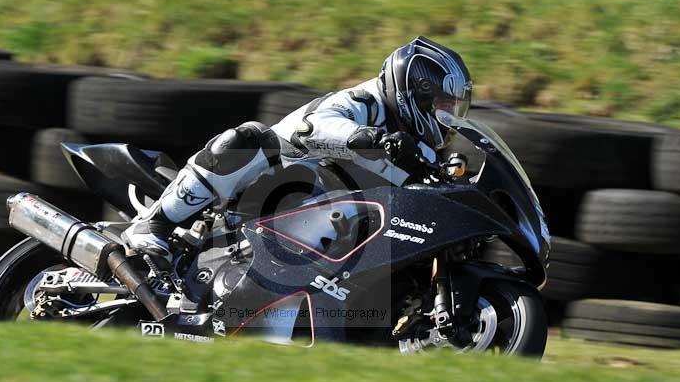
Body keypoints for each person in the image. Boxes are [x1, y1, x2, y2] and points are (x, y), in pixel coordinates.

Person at [124, 36, 473, 255]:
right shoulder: (364, 102)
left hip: (320, 228)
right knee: (247, 139)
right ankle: (155, 224)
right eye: (443, 106)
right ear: (416, 94)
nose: (448, 117)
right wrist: (371, 138)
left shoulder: (420, 148)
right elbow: (315, 128)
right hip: (265, 187)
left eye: (452, 108)